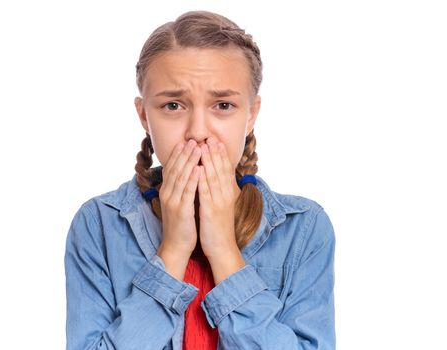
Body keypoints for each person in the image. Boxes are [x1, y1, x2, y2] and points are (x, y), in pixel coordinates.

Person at [64, 10, 336, 350]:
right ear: (144, 114)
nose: (198, 132)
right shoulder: (98, 225)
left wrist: (223, 250)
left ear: (251, 114)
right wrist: (173, 250)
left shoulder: (305, 228)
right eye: (173, 105)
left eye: (223, 105)